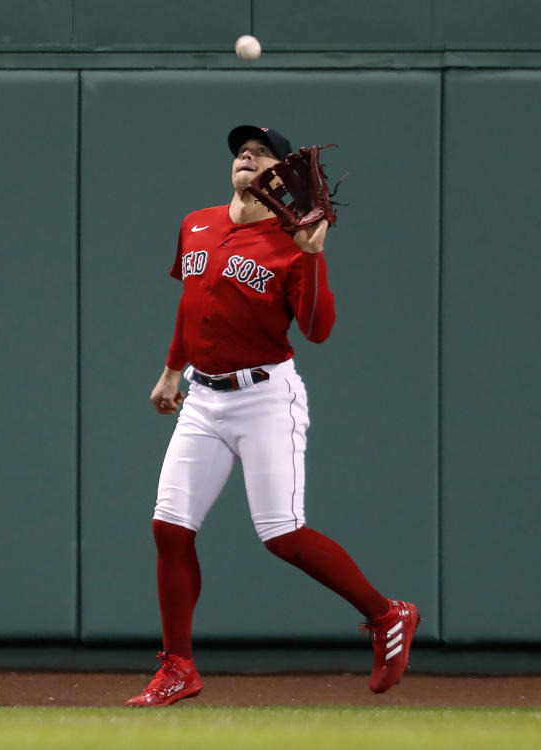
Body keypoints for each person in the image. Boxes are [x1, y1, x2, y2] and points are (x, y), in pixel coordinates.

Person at [125, 125, 419, 707]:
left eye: (262, 153)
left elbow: (317, 330)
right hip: (204, 398)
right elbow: (193, 304)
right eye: (242, 150)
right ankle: (178, 667)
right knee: (169, 527)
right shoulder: (197, 223)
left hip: (265, 397)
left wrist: (314, 260)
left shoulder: (294, 243)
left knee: (281, 535)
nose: (247, 156)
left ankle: (387, 615)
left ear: (284, 176)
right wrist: (170, 370)